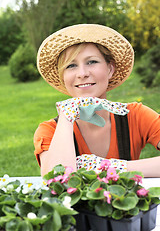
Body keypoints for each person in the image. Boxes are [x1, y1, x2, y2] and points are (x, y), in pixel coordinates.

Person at [34, 24, 160, 177]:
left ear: (110, 69)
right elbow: (56, 179)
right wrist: (66, 117)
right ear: (63, 77)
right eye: (71, 65)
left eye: (92, 62)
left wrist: (109, 167)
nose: (82, 73)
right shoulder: (50, 131)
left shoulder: (136, 116)